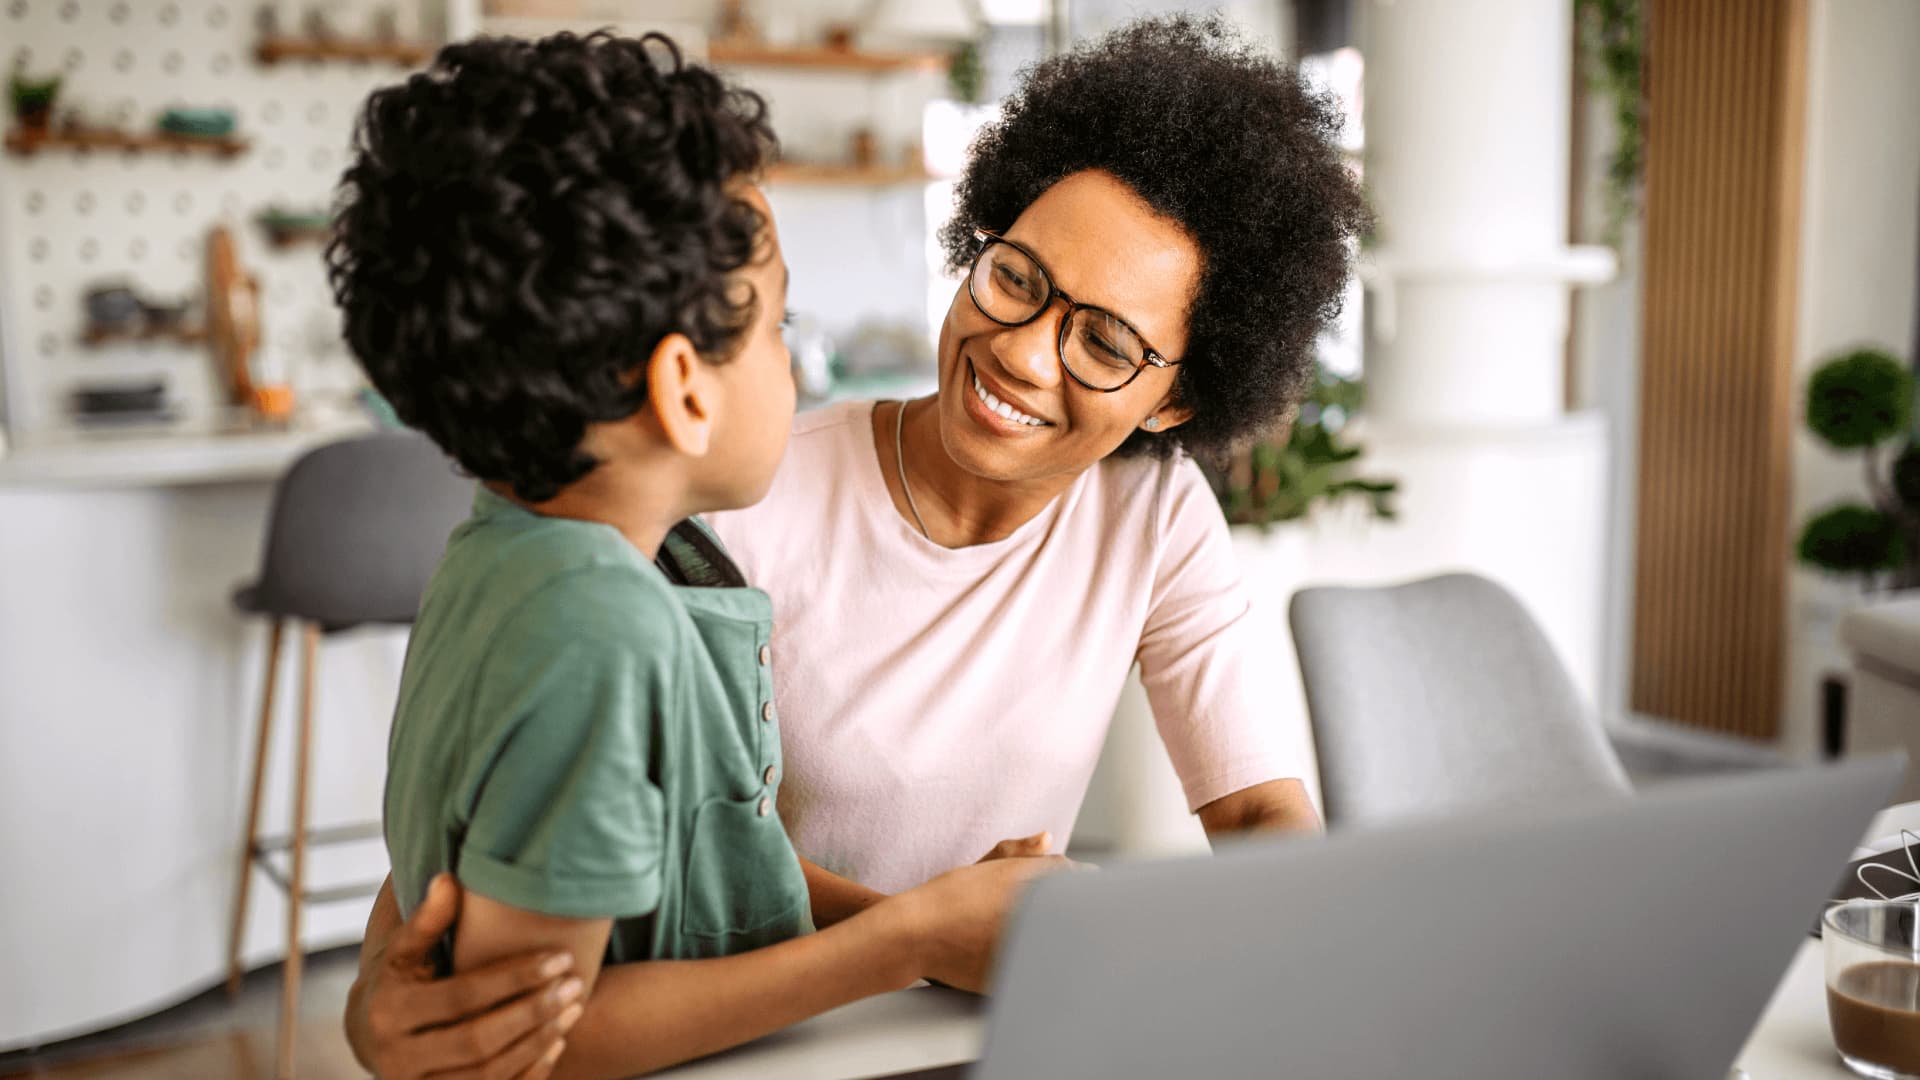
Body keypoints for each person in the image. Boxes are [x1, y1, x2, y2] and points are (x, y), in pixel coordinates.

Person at [346, 13, 1370, 1075]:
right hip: (759, 1037)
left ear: (1176, 401)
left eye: (1106, 341)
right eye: (1017, 277)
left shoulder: (1153, 513)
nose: (1020, 353)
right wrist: (388, 980)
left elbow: (1255, 808)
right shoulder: (702, 510)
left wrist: (1316, 968)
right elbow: (540, 808)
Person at [327, 31, 1067, 1080]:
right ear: (684, 389)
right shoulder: (595, 628)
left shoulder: (521, 554)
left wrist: (935, 921)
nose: (795, 369)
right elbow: (546, 1040)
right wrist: (903, 941)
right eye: (780, 328)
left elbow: (717, 858)